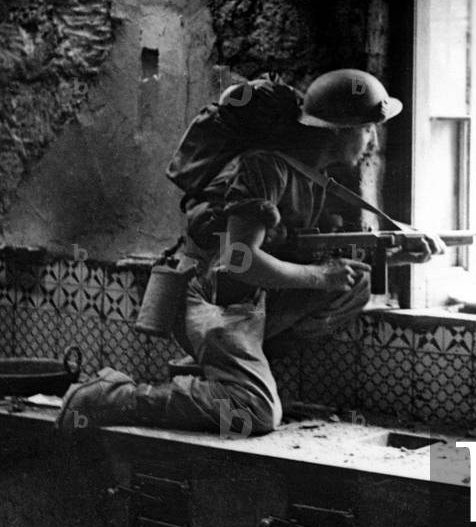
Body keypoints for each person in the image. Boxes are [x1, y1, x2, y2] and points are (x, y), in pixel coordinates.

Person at [57, 69, 443, 435]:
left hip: (245, 298)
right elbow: (237, 260)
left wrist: (394, 255)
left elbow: (301, 251)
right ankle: (111, 396)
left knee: (354, 283)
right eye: (367, 129)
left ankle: (226, 372)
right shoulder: (263, 170)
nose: (373, 140)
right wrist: (321, 276)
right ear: (340, 132)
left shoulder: (311, 175)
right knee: (254, 411)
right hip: (210, 296)